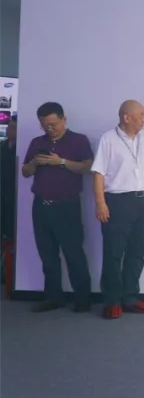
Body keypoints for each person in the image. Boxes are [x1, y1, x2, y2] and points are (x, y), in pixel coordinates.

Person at [20, 103, 94, 312]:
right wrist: (35, 163)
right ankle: (54, 297)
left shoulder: (78, 140)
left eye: (54, 124)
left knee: (74, 253)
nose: (50, 129)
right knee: (47, 254)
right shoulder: (37, 142)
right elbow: (25, 172)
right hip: (41, 206)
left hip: (67, 206)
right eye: (45, 126)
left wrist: (60, 162)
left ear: (63, 119)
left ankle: (82, 299)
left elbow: (88, 167)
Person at [91, 100, 144, 320]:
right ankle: (112, 300)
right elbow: (98, 173)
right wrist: (100, 203)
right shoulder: (108, 139)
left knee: (137, 251)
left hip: (143, 201)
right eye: (141, 115)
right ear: (126, 117)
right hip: (117, 201)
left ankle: (130, 297)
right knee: (114, 253)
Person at [1, 114, 17, 242]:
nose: (8, 130)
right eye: (8, 127)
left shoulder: (21, 148)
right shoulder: (2, 146)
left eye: (13, 128)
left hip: (13, 191)